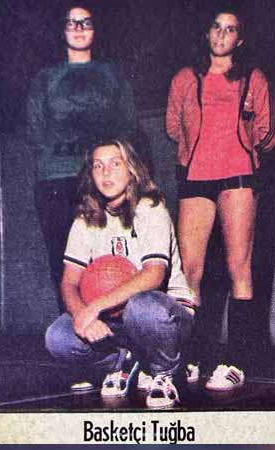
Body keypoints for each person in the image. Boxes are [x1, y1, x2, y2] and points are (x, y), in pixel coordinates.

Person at [166, 5, 275, 391]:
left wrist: (242, 148)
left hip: (239, 178)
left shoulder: (253, 78)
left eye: (230, 29)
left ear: (240, 39)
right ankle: (193, 356)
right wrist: (199, 154)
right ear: (207, 32)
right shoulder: (184, 78)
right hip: (196, 177)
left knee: (238, 268)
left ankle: (236, 363)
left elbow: (269, 133)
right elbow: (173, 126)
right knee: (190, 271)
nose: (221, 34)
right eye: (216, 27)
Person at [44, 139, 197, 409]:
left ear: (132, 170)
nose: (106, 172)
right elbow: (69, 282)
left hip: (164, 316)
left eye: (115, 164)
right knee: (58, 337)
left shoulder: (150, 208)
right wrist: (82, 316)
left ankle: (165, 371)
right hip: (116, 320)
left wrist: (94, 307)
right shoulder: (85, 219)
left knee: (142, 306)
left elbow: (153, 276)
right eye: (98, 165)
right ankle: (125, 362)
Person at [26, 2, 138, 310]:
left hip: (103, 180)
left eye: (85, 22)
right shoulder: (46, 79)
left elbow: (127, 126)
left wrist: (107, 168)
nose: (78, 29)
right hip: (56, 179)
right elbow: (34, 131)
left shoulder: (112, 75)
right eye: (72, 23)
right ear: (62, 30)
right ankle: (72, 322)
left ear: (95, 29)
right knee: (63, 258)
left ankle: (110, 324)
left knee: (107, 255)